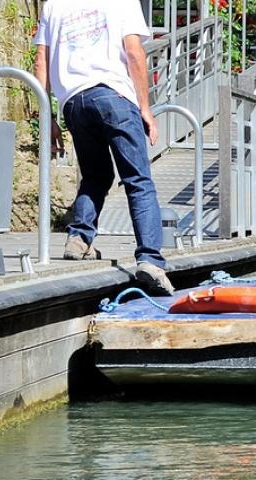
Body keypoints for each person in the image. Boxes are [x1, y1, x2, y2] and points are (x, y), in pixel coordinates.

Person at [32, 0, 172, 293]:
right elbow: (134, 54)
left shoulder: (53, 5)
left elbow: (41, 61)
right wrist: (145, 108)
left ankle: (79, 238)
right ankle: (150, 259)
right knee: (138, 180)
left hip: (74, 102)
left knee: (96, 175)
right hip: (114, 96)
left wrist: (47, 115)